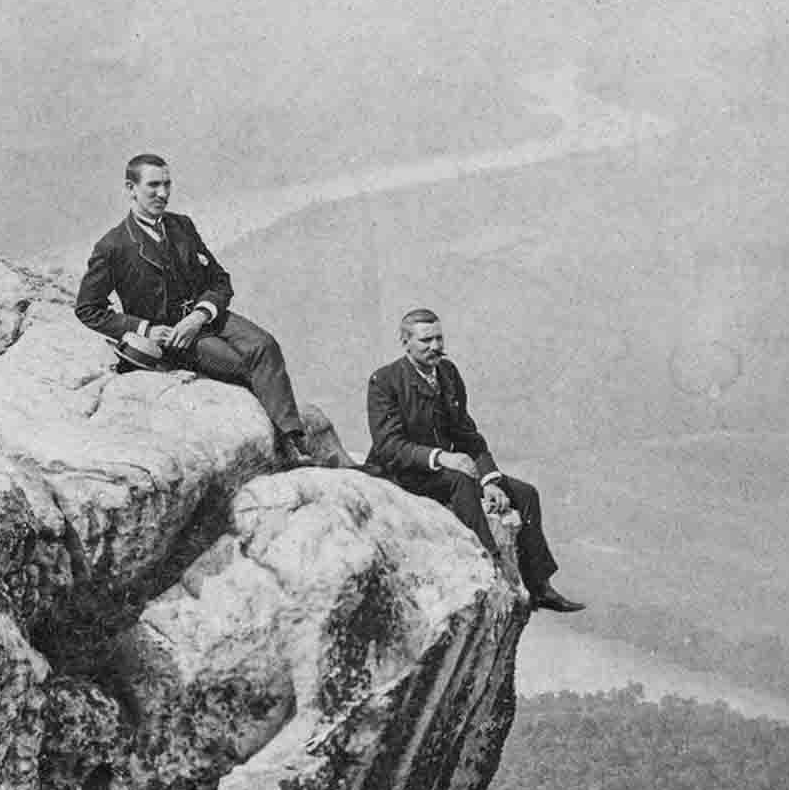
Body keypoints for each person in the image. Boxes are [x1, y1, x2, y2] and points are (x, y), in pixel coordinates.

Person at [76, 154, 318, 467]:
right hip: (173, 337)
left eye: (167, 184)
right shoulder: (113, 246)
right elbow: (88, 308)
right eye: (153, 185)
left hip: (203, 317)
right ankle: (287, 450)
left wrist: (200, 314)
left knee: (266, 345)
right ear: (130, 188)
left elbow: (219, 280)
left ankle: (294, 436)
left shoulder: (181, 227)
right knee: (241, 364)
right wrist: (145, 329)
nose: (162, 194)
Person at [365, 308, 584, 611]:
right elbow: (389, 445)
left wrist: (490, 481)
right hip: (402, 473)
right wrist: (442, 457)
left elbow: (468, 435)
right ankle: (491, 567)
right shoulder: (385, 381)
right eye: (425, 340)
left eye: (439, 338)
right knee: (460, 482)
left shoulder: (448, 374)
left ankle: (540, 587)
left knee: (525, 494)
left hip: (448, 469)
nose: (435, 347)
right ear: (405, 342)